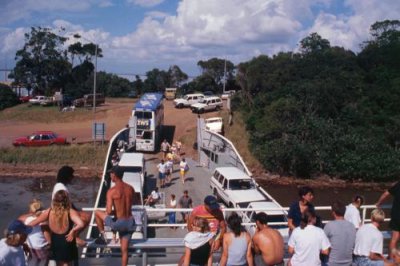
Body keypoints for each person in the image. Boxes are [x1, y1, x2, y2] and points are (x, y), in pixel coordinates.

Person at [28, 190, 84, 266]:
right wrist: (73, 231)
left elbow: (33, 223)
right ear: (67, 200)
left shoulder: (49, 211)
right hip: (67, 240)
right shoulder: (70, 211)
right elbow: (81, 224)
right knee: (67, 263)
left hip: (55, 241)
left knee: (59, 263)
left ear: (54, 200)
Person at [94, 166, 136, 266]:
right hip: (130, 222)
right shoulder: (130, 188)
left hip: (119, 223)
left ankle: (102, 236)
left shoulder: (111, 191)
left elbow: (108, 211)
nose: (110, 175)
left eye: (111, 173)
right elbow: (129, 205)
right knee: (124, 250)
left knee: (96, 212)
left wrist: (111, 212)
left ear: (114, 175)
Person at [52, 165, 90, 247]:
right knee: (86, 217)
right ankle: (74, 236)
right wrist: (77, 213)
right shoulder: (61, 188)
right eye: (71, 175)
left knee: (84, 214)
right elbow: (64, 204)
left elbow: (69, 203)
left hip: (63, 211)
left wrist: (78, 211)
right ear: (67, 177)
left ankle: (74, 235)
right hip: (62, 213)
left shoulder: (60, 186)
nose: (73, 177)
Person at [323, 201, 356, 266]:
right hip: (348, 263)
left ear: (333, 213)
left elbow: (322, 245)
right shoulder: (352, 226)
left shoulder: (329, 225)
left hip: (332, 263)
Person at [18, 199, 50, 266]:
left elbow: (20, 219)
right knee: (44, 259)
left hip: (31, 247)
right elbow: (48, 239)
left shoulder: (27, 220)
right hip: (41, 248)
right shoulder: (43, 223)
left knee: (34, 258)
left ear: (30, 211)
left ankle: (33, 261)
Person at [376, 181, 400, 259]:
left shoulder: (398, 184)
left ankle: (391, 258)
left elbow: (386, 194)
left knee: (394, 239)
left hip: (397, 215)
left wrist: (379, 203)